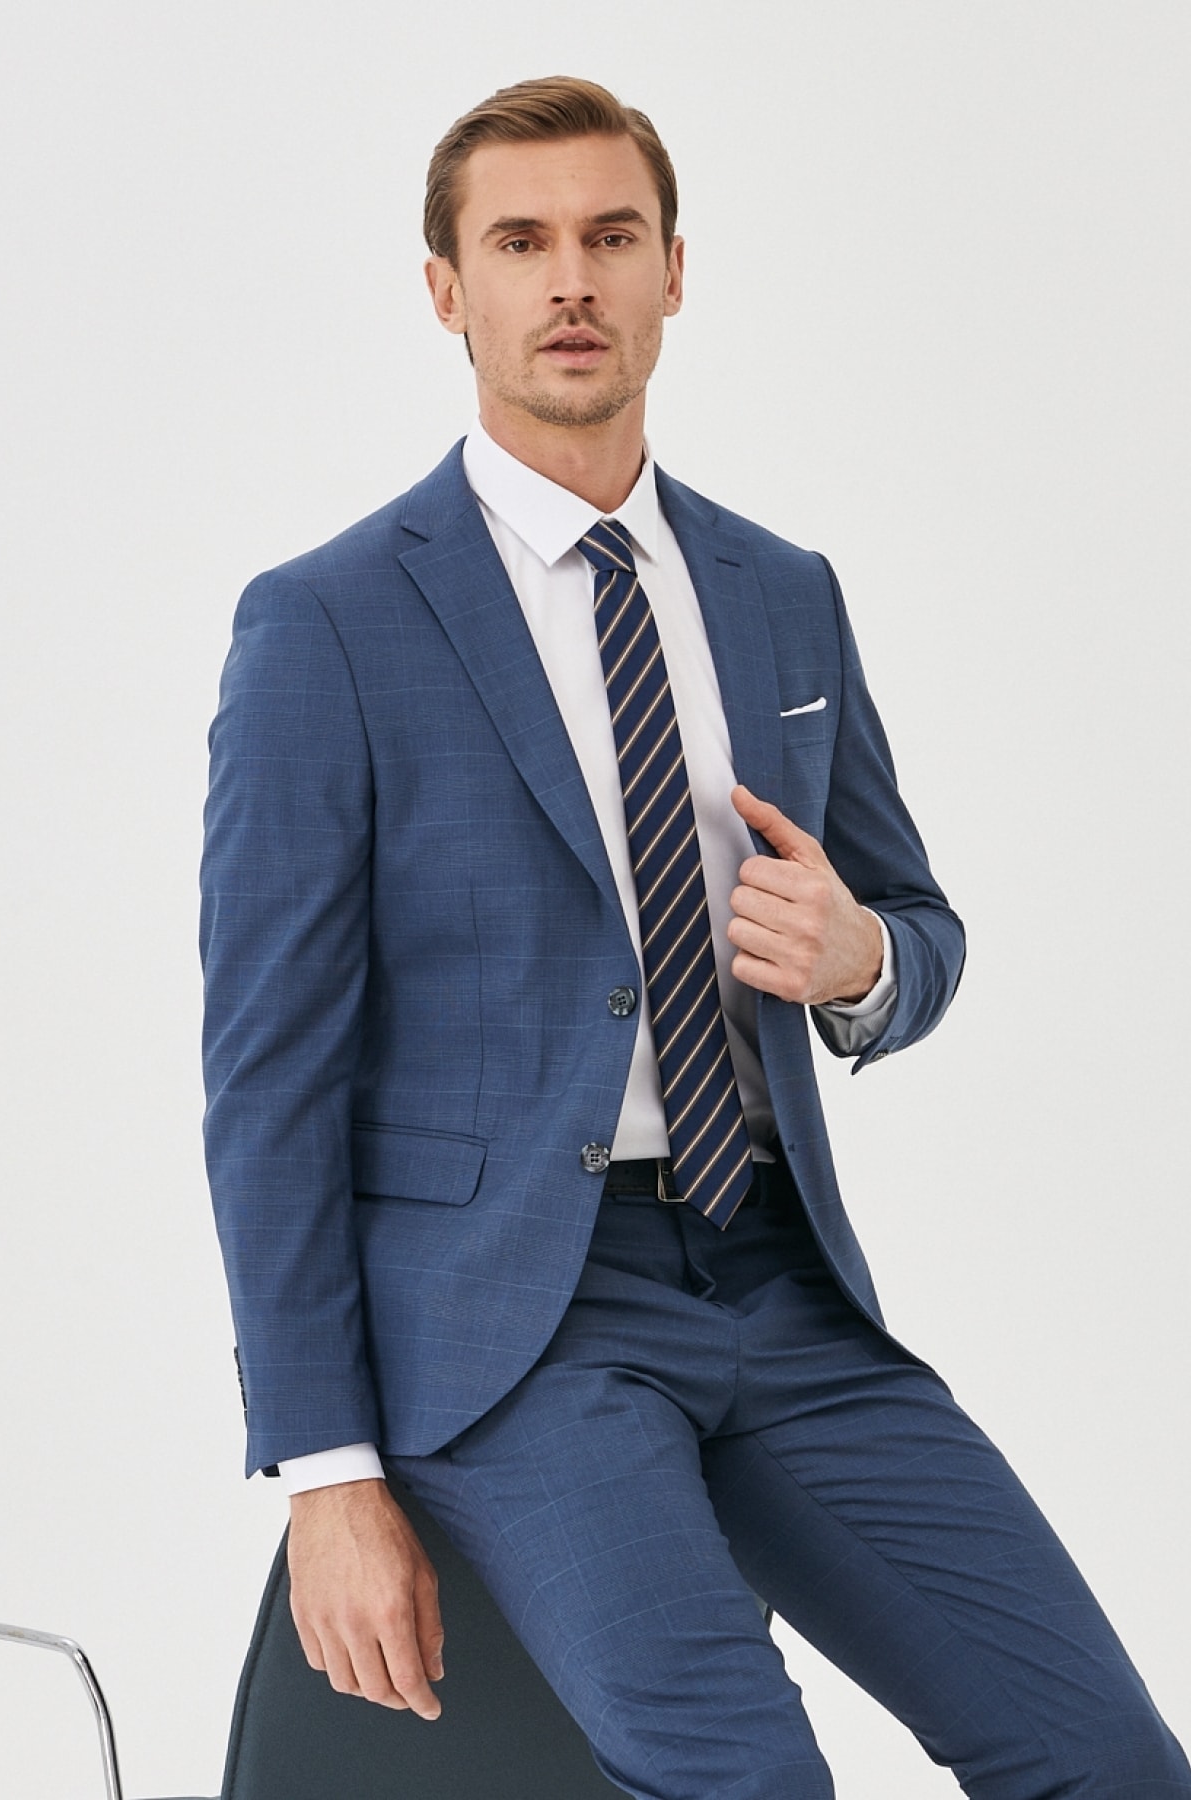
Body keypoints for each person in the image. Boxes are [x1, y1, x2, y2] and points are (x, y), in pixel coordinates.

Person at [200, 75, 1189, 1799]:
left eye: (611, 236)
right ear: (447, 289)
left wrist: (860, 962)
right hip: (517, 1336)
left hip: (782, 1286)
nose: (570, 279)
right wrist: (324, 1473)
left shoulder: (778, 591)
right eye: (521, 242)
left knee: (1110, 1761)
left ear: (674, 273)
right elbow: (266, 1081)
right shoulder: (328, 623)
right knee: (751, 1780)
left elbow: (915, 927)